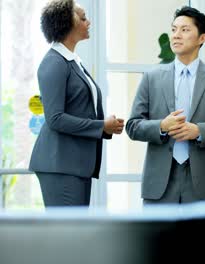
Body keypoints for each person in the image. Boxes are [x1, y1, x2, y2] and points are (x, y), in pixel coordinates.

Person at [126, 6, 205, 204]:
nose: (176, 36)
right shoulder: (151, 77)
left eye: (185, 30)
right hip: (160, 184)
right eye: (174, 29)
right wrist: (162, 126)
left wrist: (199, 131)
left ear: (202, 38)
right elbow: (133, 125)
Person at [29, 0, 124, 207]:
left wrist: (107, 126)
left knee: (74, 233)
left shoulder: (73, 61)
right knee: (65, 235)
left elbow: (80, 108)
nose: (88, 22)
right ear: (65, 24)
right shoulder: (54, 62)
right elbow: (55, 119)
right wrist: (101, 126)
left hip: (75, 164)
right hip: (60, 165)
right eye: (82, 18)